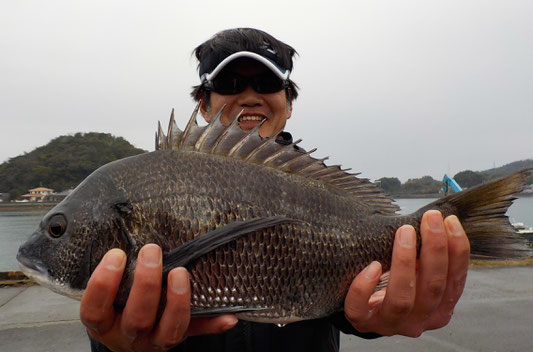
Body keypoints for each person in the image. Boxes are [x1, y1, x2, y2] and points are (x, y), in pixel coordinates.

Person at [81, 28, 471, 351]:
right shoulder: (156, 181)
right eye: (230, 83)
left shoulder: (313, 188)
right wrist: (112, 340)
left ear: (288, 102)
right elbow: (118, 318)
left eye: (267, 82)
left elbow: (349, 306)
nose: (250, 95)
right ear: (203, 103)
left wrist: (378, 315)